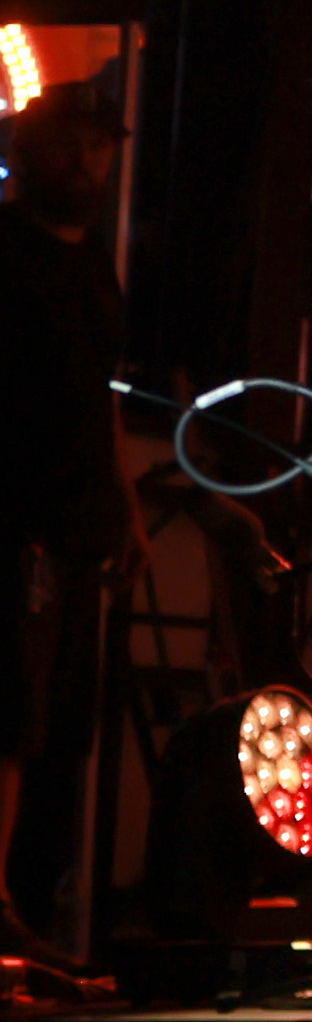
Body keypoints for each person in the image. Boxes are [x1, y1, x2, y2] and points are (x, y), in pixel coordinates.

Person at [0, 68, 126, 964]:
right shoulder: (6, 250)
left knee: (53, 729)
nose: (84, 160)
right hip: (16, 516)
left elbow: (99, 391)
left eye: (98, 147)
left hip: (75, 524)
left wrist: (124, 498)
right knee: (9, 716)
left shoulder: (90, 263)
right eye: (67, 144)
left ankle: (32, 912)